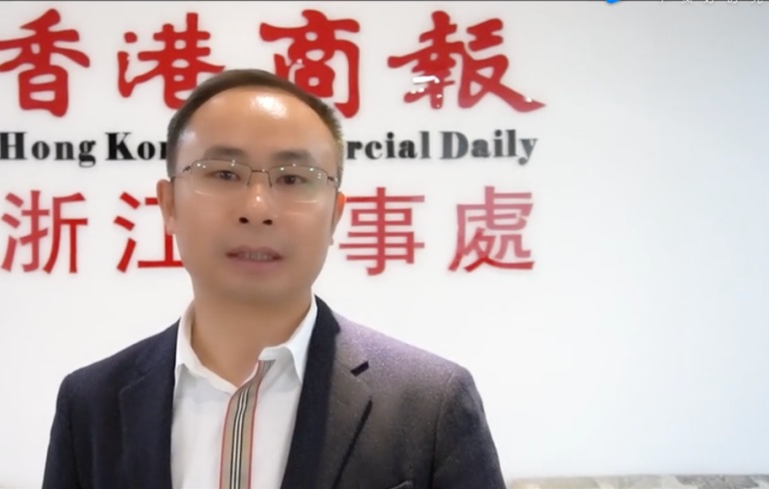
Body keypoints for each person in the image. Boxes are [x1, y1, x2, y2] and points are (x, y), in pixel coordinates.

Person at [41, 68, 506, 489]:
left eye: (293, 178)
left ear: (335, 216)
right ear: (169, 205)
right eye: (223, 173)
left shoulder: (430, 406)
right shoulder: (92, 405)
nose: (257, 208)